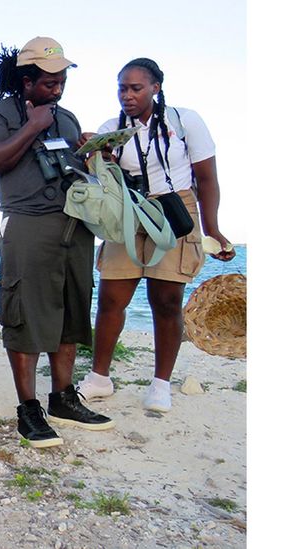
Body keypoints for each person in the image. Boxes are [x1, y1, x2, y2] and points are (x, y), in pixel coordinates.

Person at [0, 37, 114, 448]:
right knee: (25, 317)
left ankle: (63, 399)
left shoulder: (67, 118)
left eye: (61, 80)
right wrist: (31, 128)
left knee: (70, 312)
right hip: (28, 226)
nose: (57, 88)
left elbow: (69, 168)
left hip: (74, 227)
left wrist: (88, 152)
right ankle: (28, 409)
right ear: (26, 79)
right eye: (49, 81)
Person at [76, 58, 236, 412]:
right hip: (129, 209)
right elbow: (101, 182)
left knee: (166, 301)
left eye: (136, 88)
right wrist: (97, 155)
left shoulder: (184, 121)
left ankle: (161, 383)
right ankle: (100, 377)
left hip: (175, 207)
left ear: (155, 88)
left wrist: (213, 229)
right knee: (111, 297)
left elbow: (207, 178)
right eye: (122, 88)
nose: (127, 95)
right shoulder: (111, 127)